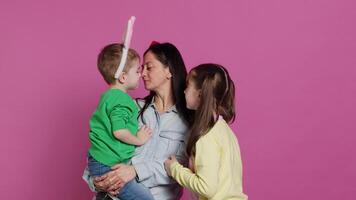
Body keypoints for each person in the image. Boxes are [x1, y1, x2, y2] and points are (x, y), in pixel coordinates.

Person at [83, 42, 192, 200]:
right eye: (141, 68)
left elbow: (180, 168)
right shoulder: (132, 108)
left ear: (168, 71)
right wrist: (96, 181)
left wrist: (135, 170)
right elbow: (102, 145)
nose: (142, 73)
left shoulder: (187, 121)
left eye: (149, 67)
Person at [164, 64, 248, 200]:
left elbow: (206, 188)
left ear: (200, 93)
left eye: (188, 86)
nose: (184, 91)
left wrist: (174, 169)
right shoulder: (225, 130)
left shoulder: (206, 135)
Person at [87, 43, 154, 200]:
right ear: (123, 77)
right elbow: (119, 131)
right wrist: (139, 139)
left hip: (99, 163)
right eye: (137, 71)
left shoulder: (108, 96)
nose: (141, 74)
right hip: (107, 167)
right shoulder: (122, 100)